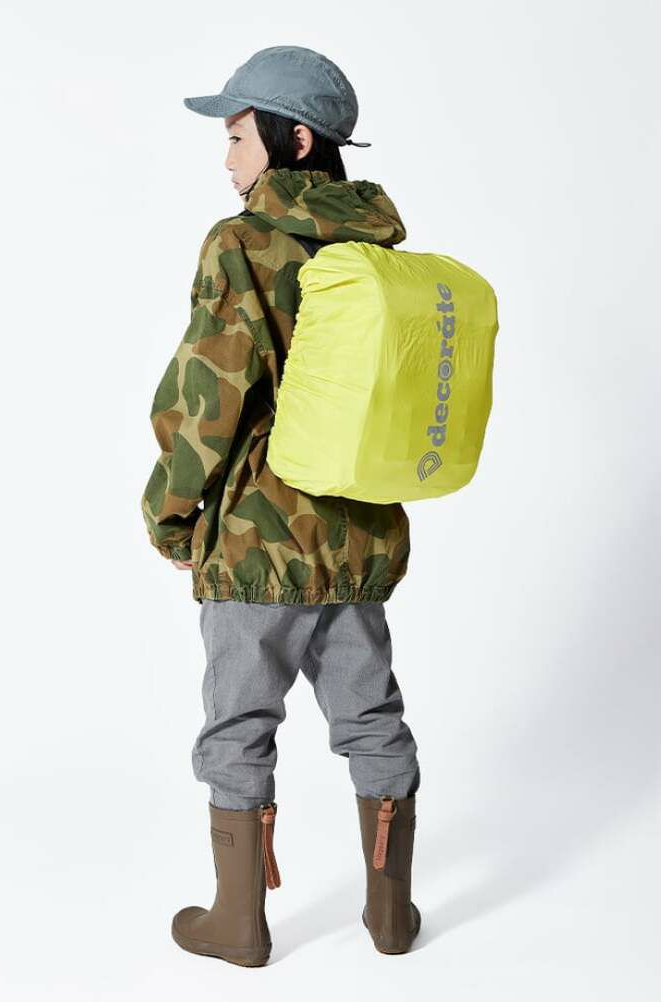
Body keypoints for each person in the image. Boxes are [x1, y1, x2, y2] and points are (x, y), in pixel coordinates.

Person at [140, 45, 421, 966]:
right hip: (358, 532)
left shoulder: (242, 244)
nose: (227, 160)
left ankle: (239, 923)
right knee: (372, 717)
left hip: (259, 541)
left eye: (237, 137)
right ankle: (391, 917)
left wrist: (171, 511)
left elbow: (208, 396)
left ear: (294, 139)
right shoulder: (376, 248)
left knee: (239, 723)